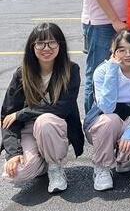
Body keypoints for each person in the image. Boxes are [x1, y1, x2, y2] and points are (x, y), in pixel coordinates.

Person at [1, 23, 83, 193]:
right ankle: (42, 159)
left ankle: (55, 168)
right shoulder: (22, 73)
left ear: (60, 45)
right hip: (28, 130)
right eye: (40, 43)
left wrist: (23, 113)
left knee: (45, 122)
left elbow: (62, 108)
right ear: (32, 46)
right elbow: (8, 115)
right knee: (16, 174)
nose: (46, 48)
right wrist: (13, 153)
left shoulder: (71, 70)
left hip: (54, 127)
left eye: (52, 43)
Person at [83, 30, 130, 191]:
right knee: (111, 120)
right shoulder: (102, 71)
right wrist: (112, 70)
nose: (128, 54)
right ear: (114, 52)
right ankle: (101, 167)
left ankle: (123, 160)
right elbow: (107, 107)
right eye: (121, 50)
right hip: (103, 122)